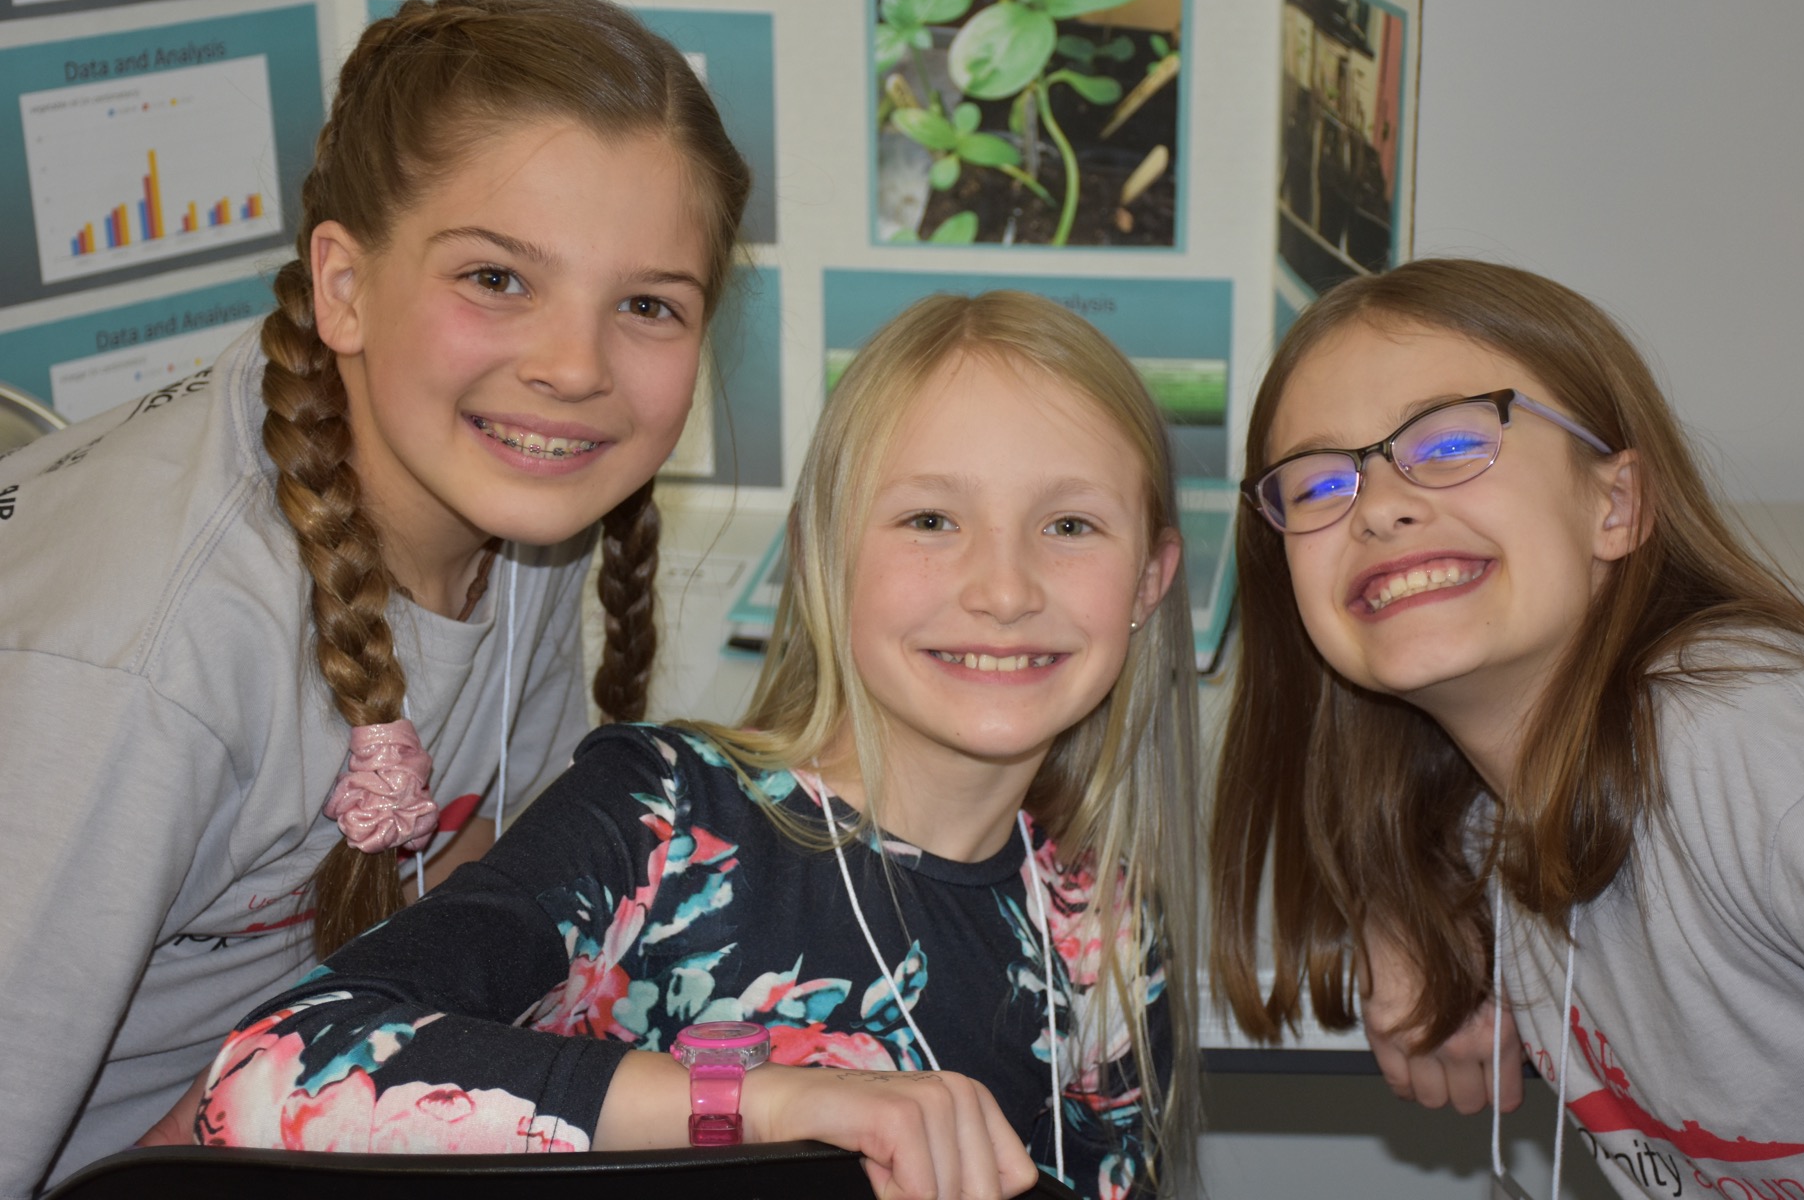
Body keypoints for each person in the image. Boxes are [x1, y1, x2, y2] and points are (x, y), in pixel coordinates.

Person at [191, 291, 1204, 1200]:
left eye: (1071, 525)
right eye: (931, 518)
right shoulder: (665, 818)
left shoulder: (1102, 929)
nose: (1006, 589)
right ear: (820, 555)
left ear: (1151, 582)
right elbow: (272, 1074)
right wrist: (756, 1102)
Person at [0, 0, 750, 1196]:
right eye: (497, 277)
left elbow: (480, 894)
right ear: (343, 286)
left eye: (647, 304)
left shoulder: (512, 483)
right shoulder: (137, 666)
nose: (573, 366)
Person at [1211, 259, 1804, 1198]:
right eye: (1315, 487)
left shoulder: (1754, 738)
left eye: (1452, 441)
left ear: (1616, 505)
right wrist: (1408, 912)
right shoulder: (1493, 809)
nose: (1378, 506)